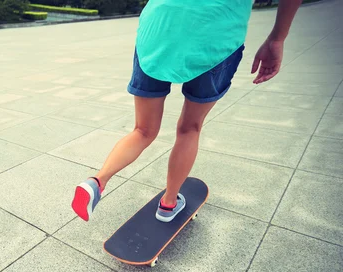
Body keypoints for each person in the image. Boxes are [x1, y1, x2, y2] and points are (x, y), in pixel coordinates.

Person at [72, 0, 301, 222]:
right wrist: (277, 38)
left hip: (158, 27)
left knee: (143, 130)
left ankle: (97, 182)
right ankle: (168, 204)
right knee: (189, 129)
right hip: (215, 33)